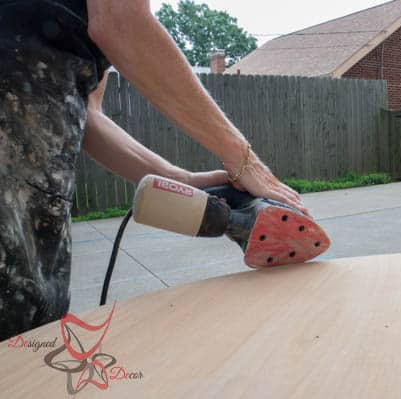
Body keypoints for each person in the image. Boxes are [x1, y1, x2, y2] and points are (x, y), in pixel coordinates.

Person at [0, 0, 310, 341]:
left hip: (32, 127)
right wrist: (242, 158)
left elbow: (90, 118)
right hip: (13, 100)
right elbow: (121, 21)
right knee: (16, 320)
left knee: (34, 320)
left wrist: (181, 179)